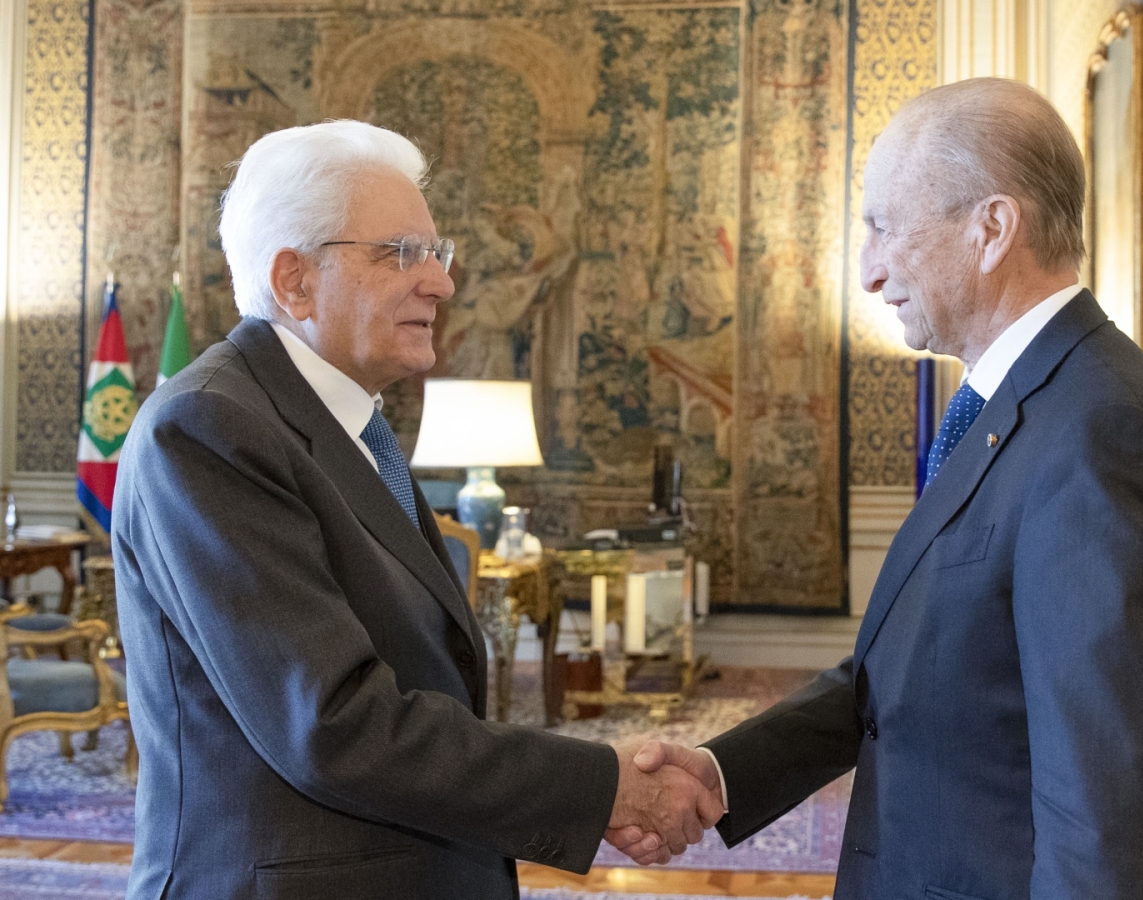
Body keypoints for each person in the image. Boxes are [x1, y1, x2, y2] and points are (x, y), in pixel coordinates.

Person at [614, 77, 1143, 900]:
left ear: (992, 228)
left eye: (883, 228)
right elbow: (907, 674)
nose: (868, 271)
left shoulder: (1106, 431)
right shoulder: (1007, 405)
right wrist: (724, 773)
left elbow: (1119, 819)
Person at [112, 120, 717, 900]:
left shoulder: (350, 422)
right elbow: (332, 725)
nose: (441, 283)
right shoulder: (208, 426)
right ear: (294, 279)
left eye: (438, 253)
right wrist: (602, 786)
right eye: (401, 253)